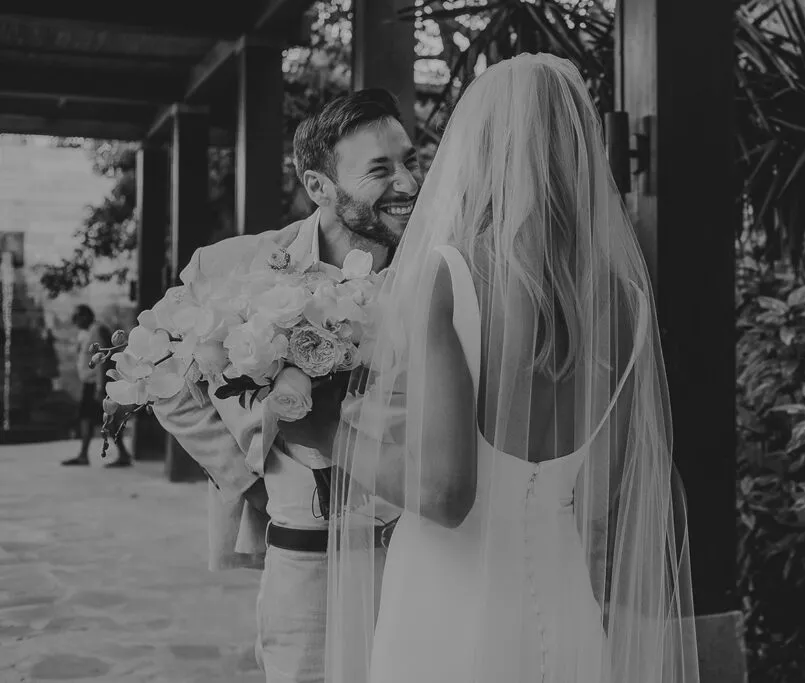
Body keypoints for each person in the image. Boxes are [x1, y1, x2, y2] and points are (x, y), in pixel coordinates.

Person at [309, 54, 699, 683]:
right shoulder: (625, 299)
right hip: (565, 601)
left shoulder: (451, 274)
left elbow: (443, 495)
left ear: (482, 150)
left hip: (450, 608)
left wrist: (325, 426)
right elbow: (602, 493)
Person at [150, 89, 419, 683]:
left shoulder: (438, 271)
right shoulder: (234, 267)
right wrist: (249, 475)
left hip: (424, 554)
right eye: (380, 169)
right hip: (305, 551)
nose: (406, 183)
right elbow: (155, 373)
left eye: (410, 161)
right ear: (319, 186)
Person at [61, 304, 132, 467]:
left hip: (97, 384)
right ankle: (86, 454)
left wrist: (101, 387)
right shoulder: (86, 333)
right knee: (91, 418)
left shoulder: (97, 330)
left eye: (77, 317)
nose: (75, 321)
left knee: (104, 418)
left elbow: (102, 361)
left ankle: (119, 454)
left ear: (85, 316)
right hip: (90, 383)